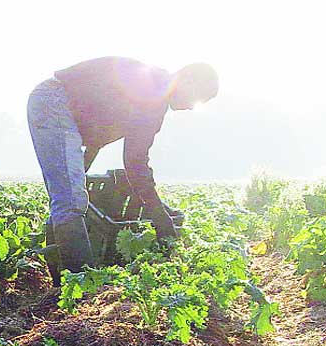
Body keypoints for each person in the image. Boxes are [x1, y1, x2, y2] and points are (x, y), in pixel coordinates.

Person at [27, 57, 219, 272]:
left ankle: (61, 277)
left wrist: (81, 170)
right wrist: (159, 216)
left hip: (60, 105)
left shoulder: (154, 89)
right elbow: (135, 161)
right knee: (70, 200)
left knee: (69, 196)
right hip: (54, 101)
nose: (192, 108)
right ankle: (80, 284)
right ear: (187, 80)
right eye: (198, 99)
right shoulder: (153, 91)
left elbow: (97, 134)